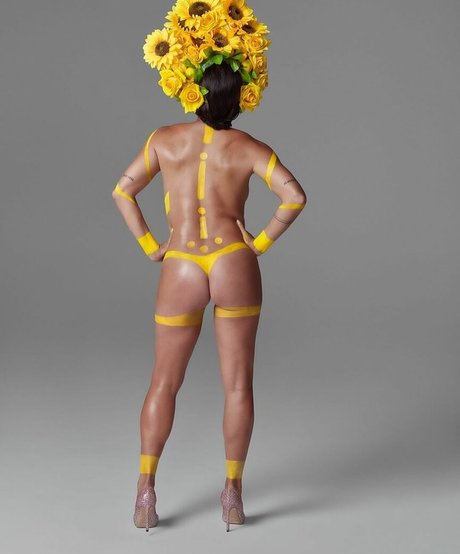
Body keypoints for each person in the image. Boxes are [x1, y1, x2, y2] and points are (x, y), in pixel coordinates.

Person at [111, 0, 307, 532]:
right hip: (232, 260)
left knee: (163, 382)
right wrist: (258, 242)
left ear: (192, 89)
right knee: (238, 385)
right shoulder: (249, 147)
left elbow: (123, 191)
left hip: (181, 262)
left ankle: (145, 493)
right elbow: (294, 196)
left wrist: (152, 245)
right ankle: (232, 495)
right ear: (241, 95)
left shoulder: (163, 140)